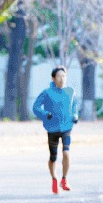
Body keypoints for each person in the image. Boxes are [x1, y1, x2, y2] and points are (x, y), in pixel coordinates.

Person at [31, 65, 78, 194]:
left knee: (66, 153)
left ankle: (64, 179)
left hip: (66, 127)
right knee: (53, 157)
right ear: (53, 78)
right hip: (52, 128)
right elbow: (35, 107)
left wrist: (75, 115)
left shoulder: (70, 91)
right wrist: (45, 114)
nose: (62, 79)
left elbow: (74, 105)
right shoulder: (47, 92)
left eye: (64, 76)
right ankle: (54, 178)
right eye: (59, 76)